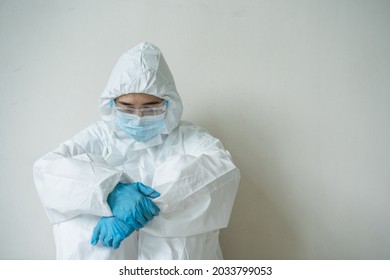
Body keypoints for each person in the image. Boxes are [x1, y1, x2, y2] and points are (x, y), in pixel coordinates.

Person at [33, 42, 240, 260]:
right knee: (84, 202)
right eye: (127, 107)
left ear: (168, 103)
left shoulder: (189, 137)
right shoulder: (99, 136)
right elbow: (48, 170)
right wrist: (110, 192)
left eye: (150, 106)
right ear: (112, 103)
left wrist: (136, 213)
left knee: (180, 172)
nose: (139, 116)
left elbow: (222, 172)